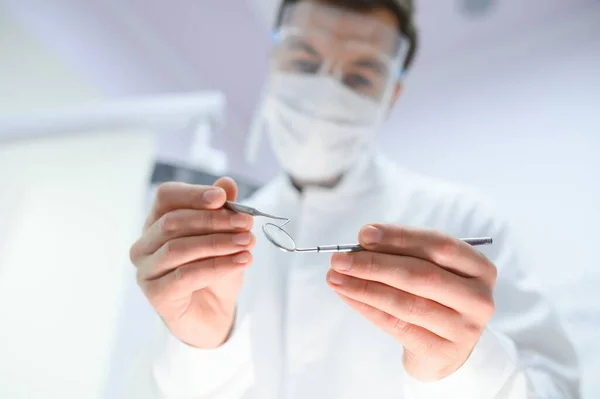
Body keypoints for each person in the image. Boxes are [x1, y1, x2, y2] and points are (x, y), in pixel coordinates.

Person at [128, 0, 580, 397]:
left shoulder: (459, 219)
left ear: (391, 96)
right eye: (305, 63)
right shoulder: (220, 241)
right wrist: (205, 349)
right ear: (274, 60)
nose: (326, 89)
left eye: (360, 76)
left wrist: (463, 368)